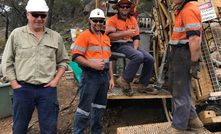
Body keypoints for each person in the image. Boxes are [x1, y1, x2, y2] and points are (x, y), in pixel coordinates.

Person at [1, 0, 70, 133]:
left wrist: (55, 81)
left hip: (47, 91)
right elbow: (6, 61)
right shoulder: (16, 34)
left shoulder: (55, 37)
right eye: (35, 15)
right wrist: (14, 84)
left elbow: (64, 61)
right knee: (19, 128)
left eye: (43, 15)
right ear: (27, 15)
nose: (39, 19)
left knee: (49, 128)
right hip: (23, 89)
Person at [159, 0, 204, 133]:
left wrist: (194, 62)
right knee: (175, 87)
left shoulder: (188, 10)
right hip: (178, 53)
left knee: (181, 90)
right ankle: (192, 119)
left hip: (183, 53)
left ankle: (178, 127)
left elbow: (195, 39)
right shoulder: (181, 10)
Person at [71, 8, 114, 134]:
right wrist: (92, 65)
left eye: (101, 21)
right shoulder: (83, 36)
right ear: (90, 20)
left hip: (104, 78)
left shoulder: (106, 37)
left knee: (99, 107)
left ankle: (96, 131)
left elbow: (109, 59)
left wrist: (111, 78)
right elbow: (76, 57)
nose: (98, 23)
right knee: (84, 109)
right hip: (90, 77)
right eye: (95, 20)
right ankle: (78, 132)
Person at [105, 0, 158, 96]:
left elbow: (136, 37)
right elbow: (109, 36)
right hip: (117, 45)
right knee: (138, 56)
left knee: (150, 59)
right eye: (122, 6)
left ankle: (143, 85)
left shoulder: (133, 20)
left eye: (127, 7)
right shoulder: (112, 20)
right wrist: (125, 33)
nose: (125, 8)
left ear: (130, 8)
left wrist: (135, 48)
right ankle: (125, 80)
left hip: (130, 45)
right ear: (118, 8)